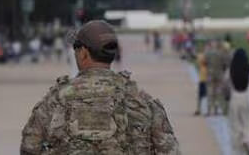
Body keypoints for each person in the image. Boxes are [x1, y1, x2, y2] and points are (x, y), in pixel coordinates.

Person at [20, 20, 179, 155]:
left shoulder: (56, 99)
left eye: (76, 49)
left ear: (83, 53)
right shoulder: (143, 101)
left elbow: (29, 147)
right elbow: (169, 150)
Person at [227, 48, 249, 155]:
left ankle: (237, 149)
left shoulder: (231, 69)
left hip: (235, 97)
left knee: (235, 126)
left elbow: (227, 82)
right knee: (248, 124)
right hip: (247, 97)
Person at [204, 39, 229, 116]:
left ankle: (208, 110)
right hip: (219, 74)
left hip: (210, 74)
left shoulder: (208, 53)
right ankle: (216, 110)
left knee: (210, 92)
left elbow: (205, 63)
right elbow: (225, 64)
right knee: (218, 93)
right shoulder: (221, 53)